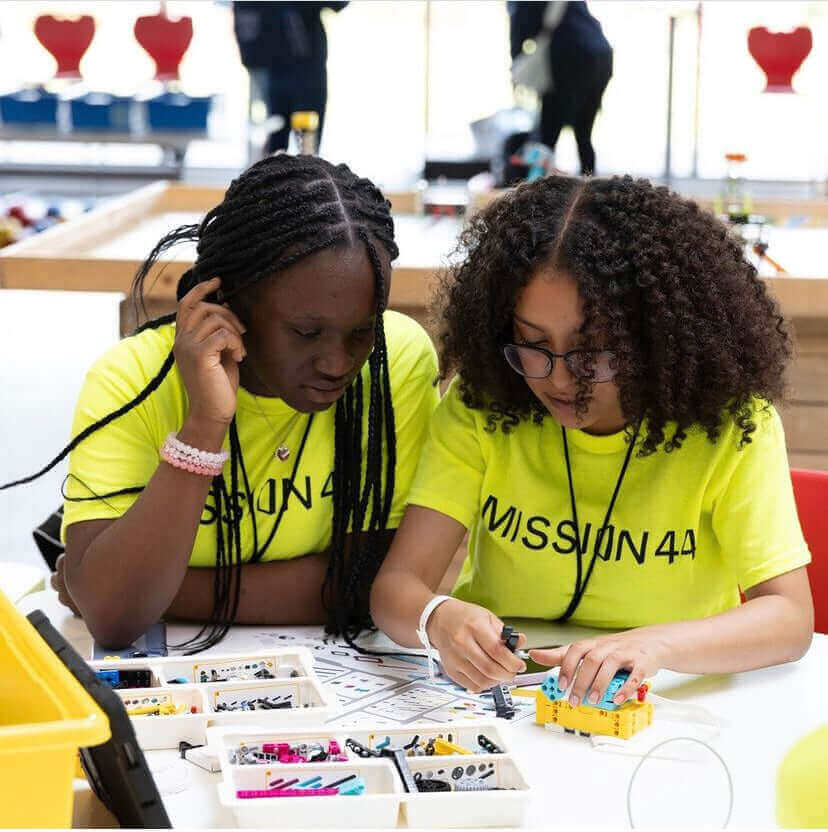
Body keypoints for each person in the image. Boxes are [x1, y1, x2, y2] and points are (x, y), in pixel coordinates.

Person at [371, 174, 814, 705]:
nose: (558, 380)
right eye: (533, 345)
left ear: (656, 339)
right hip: (501, 699)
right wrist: (437, 617)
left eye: (594, 352)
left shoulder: (730, 423)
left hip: (672, 697)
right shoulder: (484, 402)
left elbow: (789, 618)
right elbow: (395, 589)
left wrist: (653, 644)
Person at [1, 154, 438, 652]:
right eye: (306, 332)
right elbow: (116, 621)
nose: (337, 362)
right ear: (229, 299)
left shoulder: (396, 360)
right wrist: (204, 426)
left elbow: (374, 585)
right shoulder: (130, 378)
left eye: (362, 330)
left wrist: (151, 591)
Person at [508, 1, 612, 175]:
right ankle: (590, 190)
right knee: (584, 133)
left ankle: (535, 194)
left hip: (568, 57)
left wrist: (517, 66)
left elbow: (519, 29)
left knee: (547, 135)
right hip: (600, 53)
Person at [233, 2, 347, 154]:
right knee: (275, 146)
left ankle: (308, 170)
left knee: (308, 149)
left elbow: (339, 3)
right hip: (272, 75)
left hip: (307, 77)